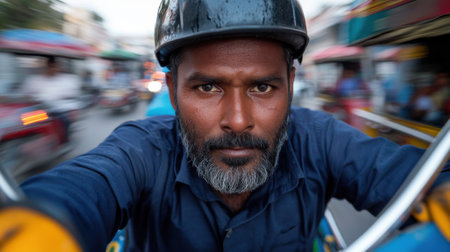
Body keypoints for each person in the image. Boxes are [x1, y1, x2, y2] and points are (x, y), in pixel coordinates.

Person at [19, 0, 449, 251]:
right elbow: (84, 187)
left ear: (291, 83)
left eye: (262, 87)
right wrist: (45, 221)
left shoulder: (320, 139)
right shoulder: (142, 151)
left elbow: (417, 175)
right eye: (207, 87)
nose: (238, 120)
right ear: (171, 90)